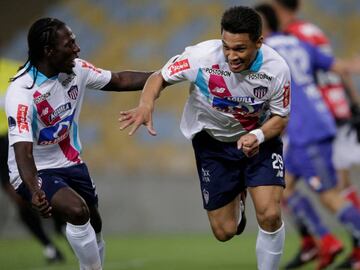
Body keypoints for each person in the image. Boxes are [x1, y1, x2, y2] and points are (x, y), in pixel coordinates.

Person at [119, 6, 291, 269]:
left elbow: (281, 117)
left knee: (269, 214)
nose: (231, 56)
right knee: (224, 232)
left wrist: (256, 135)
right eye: (227, 47)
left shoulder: (276, 68)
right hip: (213, 144)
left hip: (259, 141)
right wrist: (145, 104)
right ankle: (239, 196)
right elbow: (159, 76)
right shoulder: (201, 57)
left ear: (259, 42)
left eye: (240, 49)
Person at [5, 18, 153, 270]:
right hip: (35, 169)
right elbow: (23, 152)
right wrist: (34, 190)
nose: (77, 48)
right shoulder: (22, 92)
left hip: (71, 161)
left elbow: (119, 80)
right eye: (69, 44)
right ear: (49, 51)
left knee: (95, 224)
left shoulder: (77, 70)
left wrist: (166, 76)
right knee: (77, 211)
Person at [256, 3, 360, 269]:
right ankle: (325, 241)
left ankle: (336, 242)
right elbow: (337, 66)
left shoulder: (267, 52)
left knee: (330, 195)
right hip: (314, 122)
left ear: (261, 26)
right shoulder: (295, 42)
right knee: (283, 190)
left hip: (307, 129)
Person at [0, 57, 65, 263]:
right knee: (18, 198)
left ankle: (61, 222)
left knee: (34, 188)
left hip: (14, 138)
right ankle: (49, 246)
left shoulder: (12, 69)